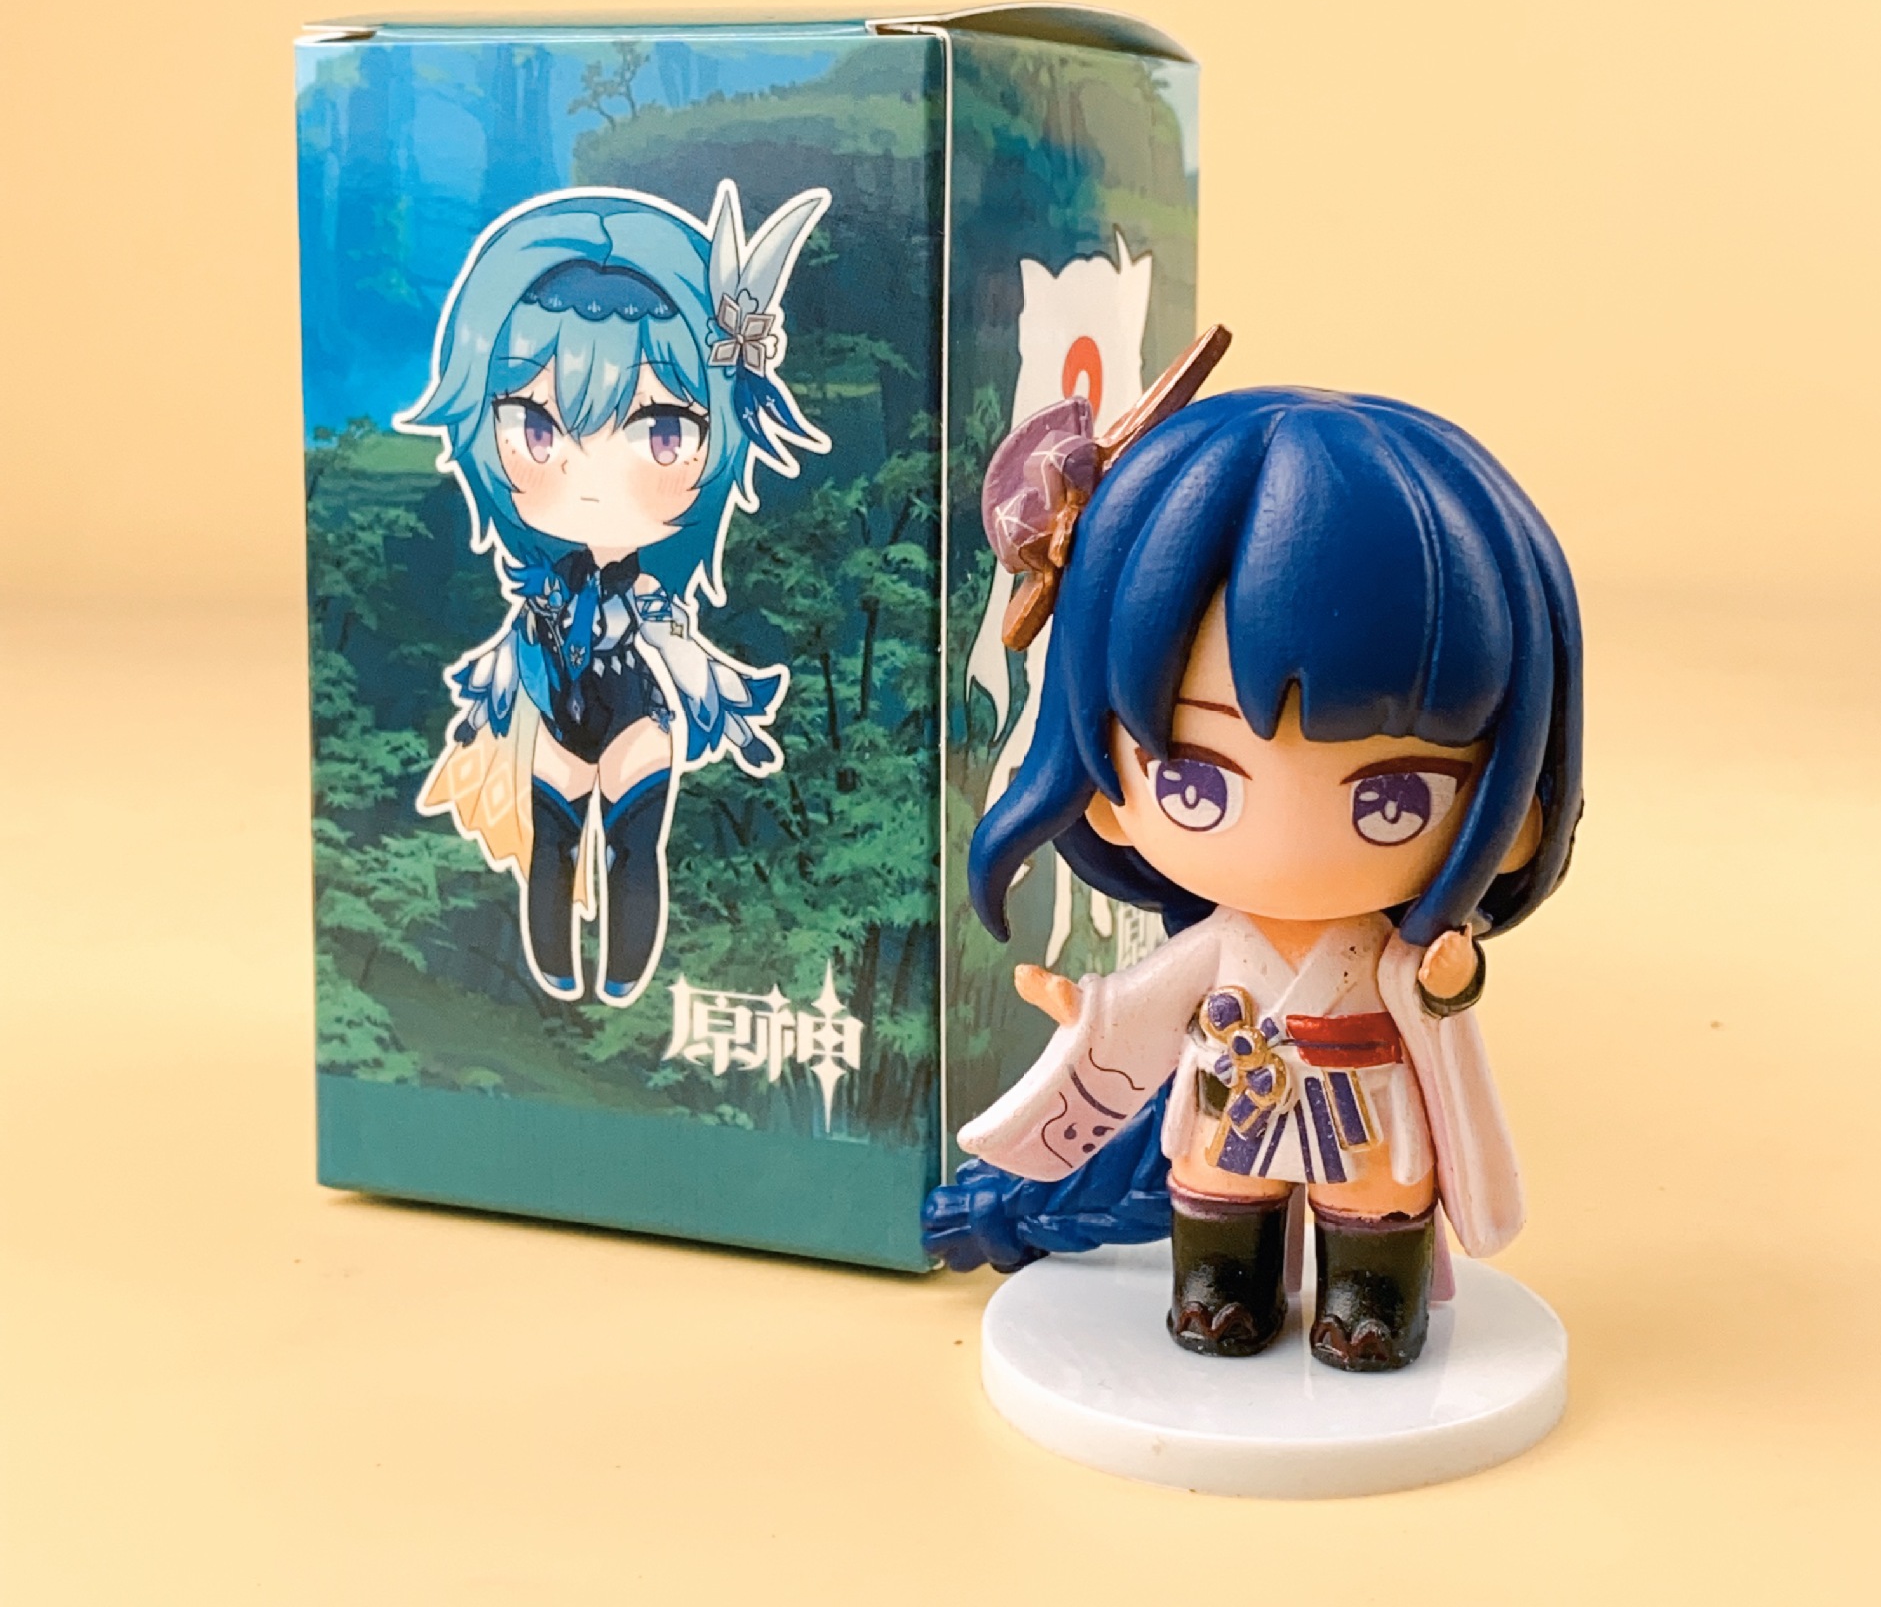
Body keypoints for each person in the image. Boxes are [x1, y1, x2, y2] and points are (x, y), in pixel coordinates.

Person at [936, 357, 1582, 1371]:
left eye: (1392, 798)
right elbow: (1156, 1001)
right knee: (1219, 1194)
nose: (1285, 843)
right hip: (1233, 1099)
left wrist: (1449, 981)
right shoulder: (1225, 942)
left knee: (1374, 1204)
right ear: (1105, 791)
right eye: (1197, 782)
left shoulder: (1383, 950)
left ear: (1515, 812)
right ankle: (1219, 1291)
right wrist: (1090, 1012)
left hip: (1364, 1102)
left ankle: (1371, 1305)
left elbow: (1436, 1000)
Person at [396, 181, 831, 1008]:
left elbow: (683, 655)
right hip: (556, 712)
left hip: (634, 712)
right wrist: (487, 706)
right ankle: (559, 975)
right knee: (554, 846)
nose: (590, 476)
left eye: (662, 432)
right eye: (536, 427)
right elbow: (510, 654)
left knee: (634, 848)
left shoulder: (649, 599)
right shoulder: (541, 594)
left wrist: (729, 711)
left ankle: (627, 974)